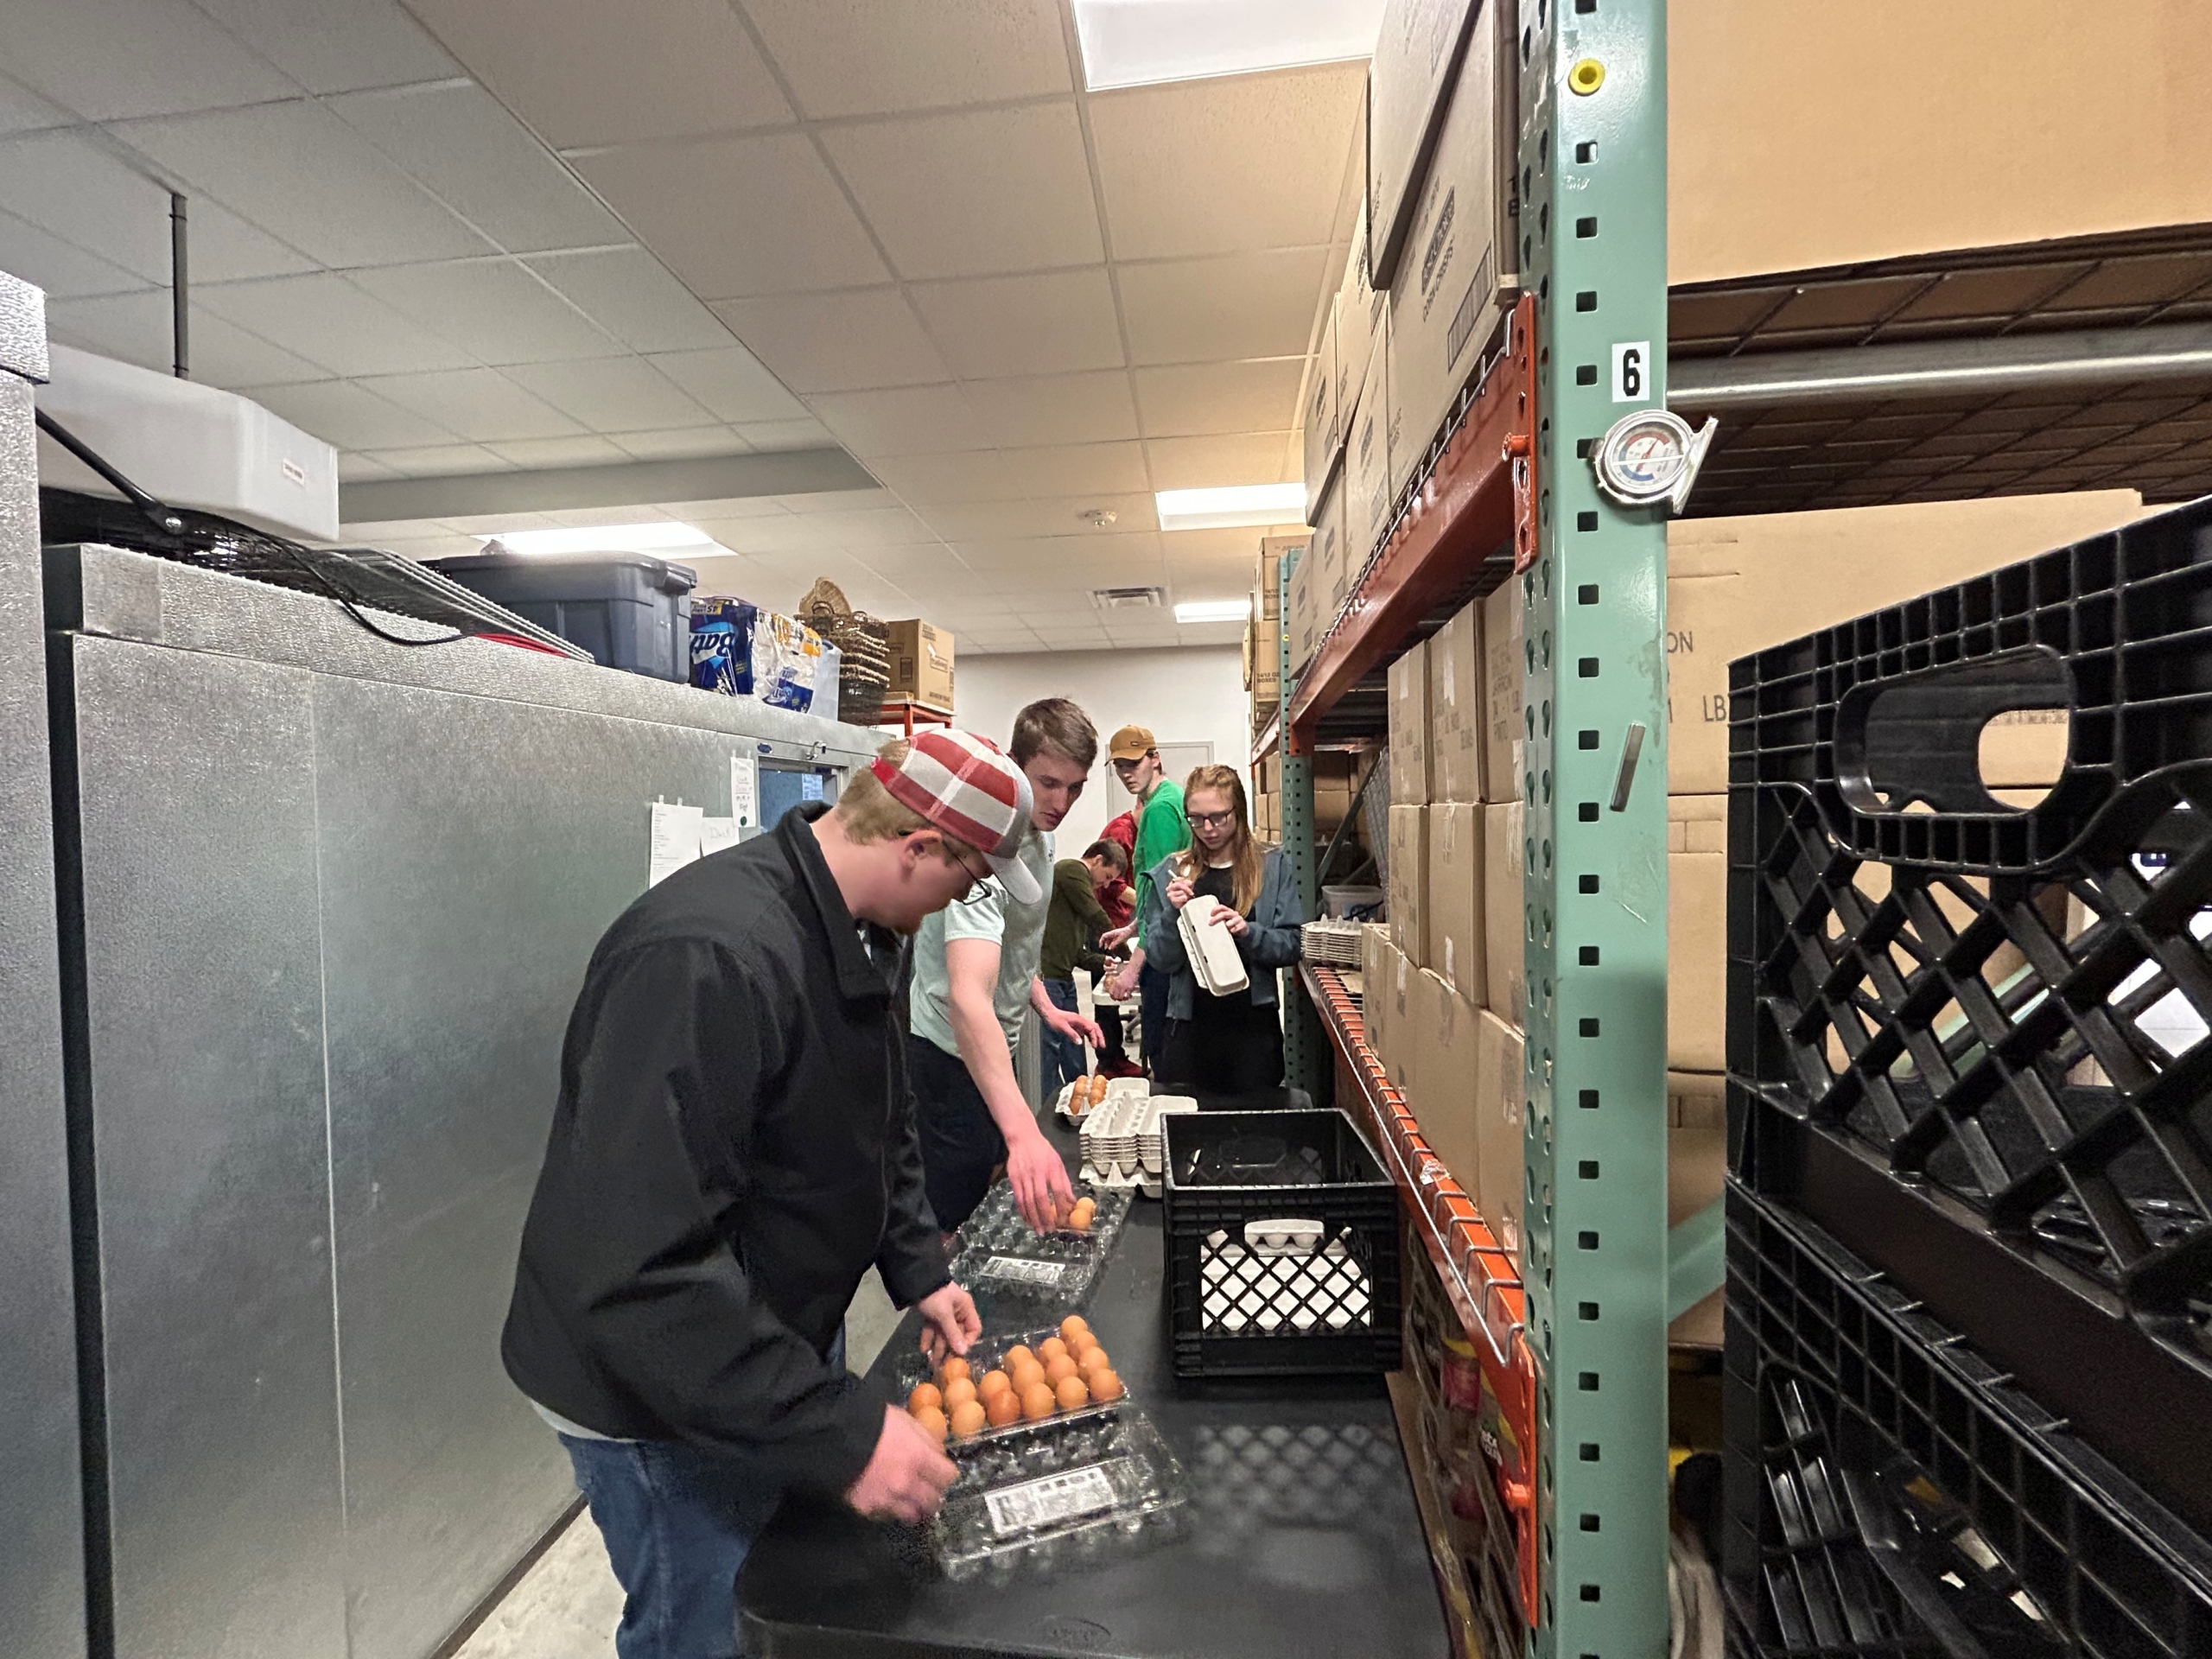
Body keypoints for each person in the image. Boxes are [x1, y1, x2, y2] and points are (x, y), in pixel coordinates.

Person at [502, 731, 1033, 1659]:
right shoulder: (708, 956)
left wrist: (917, 1264)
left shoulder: (860, 931)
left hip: (756, 1342)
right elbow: (638, 1268)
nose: (962, 903)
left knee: (781, 1596)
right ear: (917, 847)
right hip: (656, 1390)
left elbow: (881, 1118)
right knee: (711, 1627)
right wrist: (836, 1431)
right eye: (968, 879)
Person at [908, 698, 1105, 1234]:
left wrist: (1044, 1006)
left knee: (993, 1189)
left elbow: (1013, 944)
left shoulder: (1040, 833)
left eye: (1075, 788)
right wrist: (1022, 1132)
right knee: (952, 1219)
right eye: (1048, 783)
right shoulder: (983, 845)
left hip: (998, 1044)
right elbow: (968, 995)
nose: (1061, 802)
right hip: (950, 1056)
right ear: (1015, 768)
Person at [1137, 763, 1305, 1097]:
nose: (1208, 829)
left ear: (1238, 811)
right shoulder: (1174, 871)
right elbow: (1160, 959)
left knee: (1254, 1123)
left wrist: (1249, 932)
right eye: (1196, 819)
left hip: (1253, 1034)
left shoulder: (1271, 867)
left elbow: (1292, 944)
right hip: (1189, 1035)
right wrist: (1173, 915)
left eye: (1218, 817)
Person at [1100, 727, 1188, 1068]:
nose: (1126, 773)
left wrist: (1132, 971)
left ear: (1155, 758)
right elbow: (1155, 889)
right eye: (1119, 766)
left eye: (1133, 764)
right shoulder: (1173, 797)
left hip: (1164, 952)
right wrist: (1131, 928)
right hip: (1169, 942)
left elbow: (1165, 898)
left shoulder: (1159, 810)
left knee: (1163, 1055)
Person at [1039, 839, 1128, 1097]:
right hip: (1048, 978)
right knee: (1051, 1050)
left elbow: (1075, 953)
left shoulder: (1075, 892)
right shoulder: (1071, 870)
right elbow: (1097, 917)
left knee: (1075, 1044)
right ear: (1097, 860)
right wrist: (1131, 956)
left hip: (1063, 978)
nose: (1106, 885)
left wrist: (1102, 961)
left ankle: (1078, 1101)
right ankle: (1049, 1107)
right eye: (1107, 876)